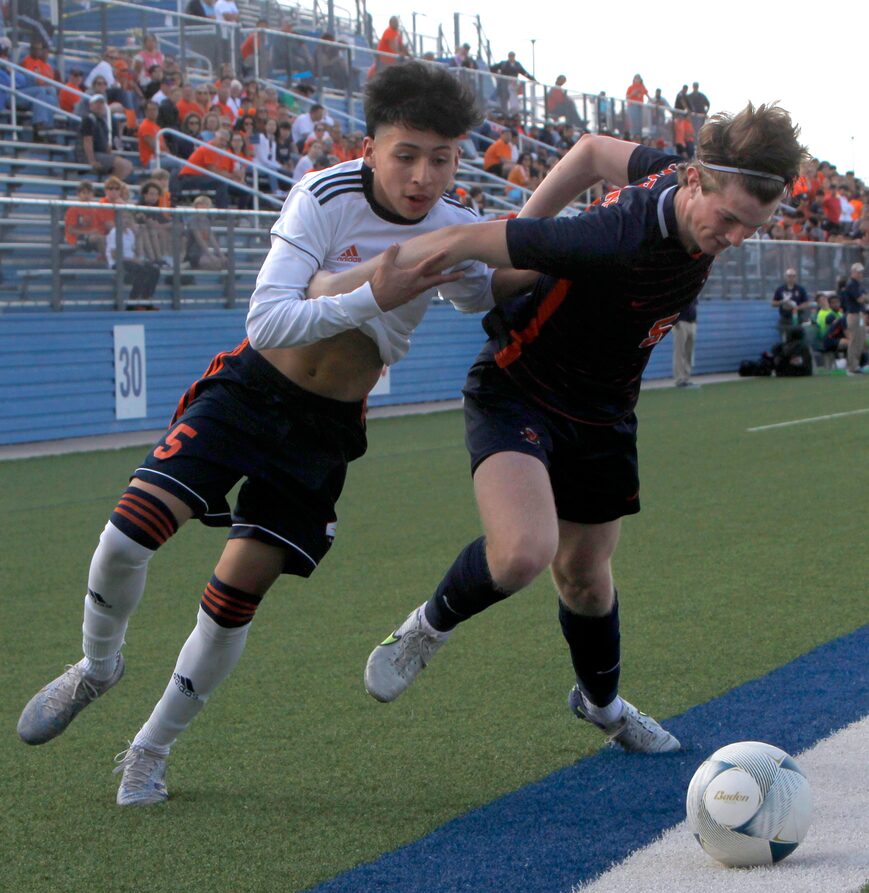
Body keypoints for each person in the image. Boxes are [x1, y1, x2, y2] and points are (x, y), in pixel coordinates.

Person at [16, 62, 529, 807]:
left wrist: (524, 265)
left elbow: (478, 295)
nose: (422, 176)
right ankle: (98, 667)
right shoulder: (322, 194)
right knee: (125, 538)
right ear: (370, 146)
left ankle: (149, 751)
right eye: (406, 154)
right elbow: (268, 320)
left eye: (442, 159)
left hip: (324, 432)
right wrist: (367, 292)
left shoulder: (451, 227)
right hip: (251, 392)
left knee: (232, 598)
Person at [324, 102, 806, 754]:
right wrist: (330, 290)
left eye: (753, 226)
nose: (735, 237)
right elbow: (456, 242)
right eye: (728, 219)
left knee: (584, 574)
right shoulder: (611, 237)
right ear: (694, 182)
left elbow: (586, 151)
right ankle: (426, 628)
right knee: (523, 553)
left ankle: (601, 706)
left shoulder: (685, 178)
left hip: (605, 411)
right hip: (518, 388)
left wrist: (530, 222)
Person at [78, 94, 134, 181]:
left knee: (128, 165)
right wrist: (91, 160)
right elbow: (87, 140)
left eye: (101, 103)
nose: (99, 106)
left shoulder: (103, 121)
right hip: (89, 155)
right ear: (91, 106)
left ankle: (110, 186)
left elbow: (106, 143)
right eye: (97, 103)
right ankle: (109, 187)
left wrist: (109, 154)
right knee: (123, 165)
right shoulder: (88, 119)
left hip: (101, 154)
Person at [842, 262, 869, 375]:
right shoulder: (851, 284)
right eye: (858, 272)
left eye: (861, 272)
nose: (860, 274)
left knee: (860, 341)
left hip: (860, 314)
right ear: (853, 272)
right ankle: (851, 367)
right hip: (854, 315)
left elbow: (864, 297)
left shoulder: (858, 284)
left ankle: (856, 365)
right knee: (854, 341)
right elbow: (860, 299)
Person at [771, 267, 811, 339]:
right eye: (789, 276)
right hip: (785, 318)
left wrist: (797, 307)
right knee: (786, 338)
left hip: (797, 318)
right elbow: (773, 303)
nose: (791, 278)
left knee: (798, 338)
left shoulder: (800, 289)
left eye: (793, 276)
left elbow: (807, 303)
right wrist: (782, 302)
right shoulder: (780, 289)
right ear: (785, 277)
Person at [672, 298, 698, 387]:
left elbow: (695, 305)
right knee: (680, 352)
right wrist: (675, 322)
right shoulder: (680, 291)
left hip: (692, 323)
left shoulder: (694, 291)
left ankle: (686, 378)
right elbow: (672, 306)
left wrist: (695, 322)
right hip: (681, 323)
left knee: (689, 353)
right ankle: (679, 379)